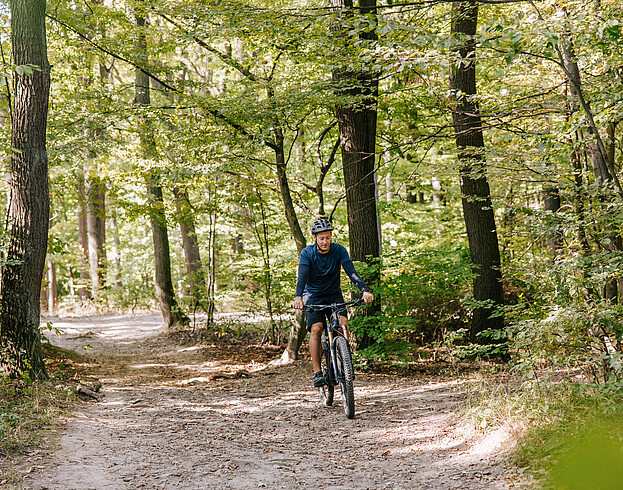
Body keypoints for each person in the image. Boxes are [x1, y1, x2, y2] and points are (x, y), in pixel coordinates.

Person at [293, 218, 374, 387]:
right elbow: (302, 276)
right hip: (312, 296)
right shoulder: (307, 253)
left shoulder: (339, 251)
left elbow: (351, 272)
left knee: (342, 325)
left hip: (333, 295)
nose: (325, 241)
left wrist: (364, 290)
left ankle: (341, 359)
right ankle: (317, 372)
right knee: (317, 329)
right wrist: (298, 296)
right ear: (315, 237)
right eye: (321, 238)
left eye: (328, 237)